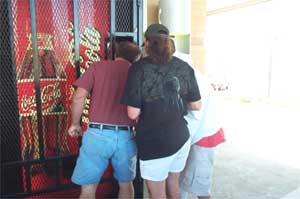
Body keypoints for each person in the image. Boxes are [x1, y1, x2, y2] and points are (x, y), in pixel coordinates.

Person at [121, 23, 202, 199]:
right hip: (181, 136)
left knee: (156, 193)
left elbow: (132, 113)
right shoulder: (184, 66)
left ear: (147, 43)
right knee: (173, 183)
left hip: (155, 141)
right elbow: (196, 105)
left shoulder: (138, 69)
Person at [68, 40, 141, 199]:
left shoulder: (98, 67)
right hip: (127, 136)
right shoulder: (138, 72)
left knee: (88, 189)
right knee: (126, 185)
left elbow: (79, 97)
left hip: (97, 134)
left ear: (116, 54)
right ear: (136, 58)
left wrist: (75, 124)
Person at [171, 40, 226, 199]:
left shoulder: (192, 79)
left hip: (204, 135)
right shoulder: (189, 74)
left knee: (200, 183)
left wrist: (180, 142)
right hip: (197, 133)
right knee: (180, 179)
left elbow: (194, 115)